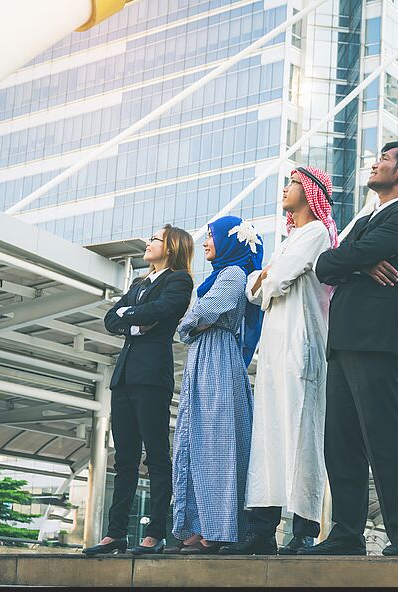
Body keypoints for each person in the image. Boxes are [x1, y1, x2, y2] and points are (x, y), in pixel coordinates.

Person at [298, 141, 398, 556]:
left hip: (376, 339)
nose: (376, 163)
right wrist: (358, 261)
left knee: (383, 438)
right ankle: (346, 533)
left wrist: (352, 259)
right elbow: (325, 264)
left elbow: (344, 257)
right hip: (344, 339)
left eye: (386, 160)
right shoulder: (366, 217)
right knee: (341, 441)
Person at [220, 167, 337, 556]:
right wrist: (265, 278)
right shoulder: (290, 240)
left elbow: (275, 281)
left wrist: (265, 277)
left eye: (292, 184)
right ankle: (262, 528)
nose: (285, 190)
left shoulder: (317, 233)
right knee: (268, 437)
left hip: (302, 345)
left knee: (303, 436)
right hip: (274, 349)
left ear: (311, 192)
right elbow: (256, 291)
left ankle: (303, 528)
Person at [83, 224, 194, 556]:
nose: (148, 243)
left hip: (151, 377)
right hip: (125, 377)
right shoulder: (139, 283)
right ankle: (115, 533)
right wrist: (134, 318)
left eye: (155, 239)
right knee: (126, 458)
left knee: (157, 456)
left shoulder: (179, 280)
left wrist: (127, 315)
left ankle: (156, 532)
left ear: (172, 247)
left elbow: (161, 311)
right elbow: (109, 319)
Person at [168, 215, 263, 555]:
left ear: (228, 240)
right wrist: (192, 324)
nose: (206, 242)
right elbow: (197, 318)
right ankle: (195, 524)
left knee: (217, 442)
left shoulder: (234, 274)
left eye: (211, 236)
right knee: (196, 441)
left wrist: (189, 325)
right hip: (205, 357)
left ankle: (218, 527)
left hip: (218, 359)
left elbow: (203, 313)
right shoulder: (219, 275)